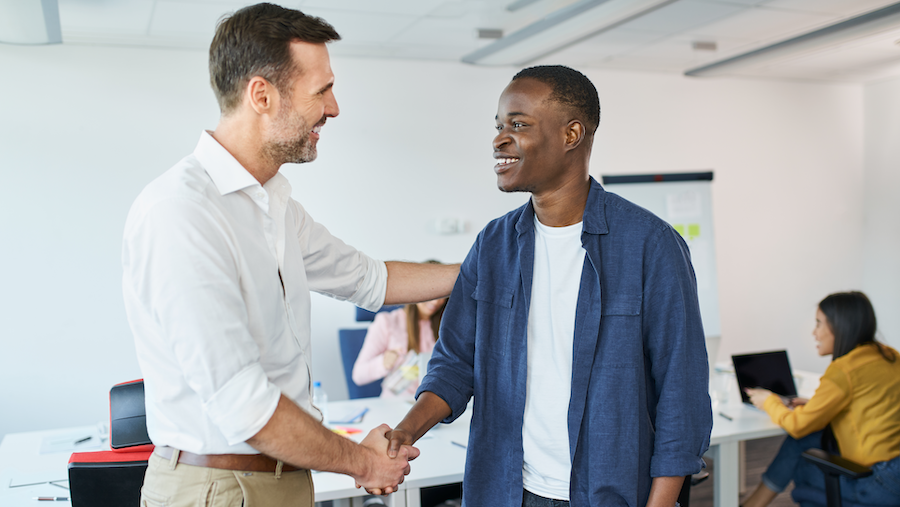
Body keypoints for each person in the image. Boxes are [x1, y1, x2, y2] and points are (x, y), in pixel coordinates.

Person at [121, 4, 459, 506]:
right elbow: (244, 405)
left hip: (283, 478)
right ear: (262, 95)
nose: (335, 107)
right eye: (321, 90)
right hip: (217, 487)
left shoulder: (274, 203)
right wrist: (365, 462)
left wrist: (488, 266)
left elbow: (371, 280)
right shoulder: (183, 212)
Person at [375, 66, 713, 506]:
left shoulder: (651, 244)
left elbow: (680, 394)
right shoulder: (493, 244)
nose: (499, 139)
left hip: (609, 493)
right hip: (507, 489)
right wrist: (405, 431)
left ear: (572, 133)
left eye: (518, 124)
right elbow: (455, 364)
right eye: (499, 126)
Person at [743, 291, 900, 507]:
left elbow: (796, 426)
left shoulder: (843, 371)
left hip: (877, 483)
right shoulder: (890, 355)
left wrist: (769, 401)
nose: (814, 333)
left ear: (839, 327)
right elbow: (873, 405)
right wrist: (815, 406)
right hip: (895, 473)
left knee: (802, 463)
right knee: (809, 438)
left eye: (818, 324)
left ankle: (752, 504)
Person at [352, 263, 449, 400]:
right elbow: (358, 375)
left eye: (441, 293)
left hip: (434, 402)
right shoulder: (387, 322)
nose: (436, 301)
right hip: (397, 403)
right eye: (432, 292)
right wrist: (383, 362)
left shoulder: (446, 325)